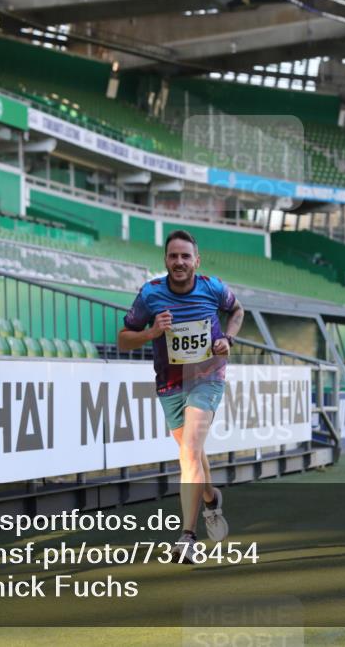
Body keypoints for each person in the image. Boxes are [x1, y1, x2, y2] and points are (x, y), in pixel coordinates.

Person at [117, 230, 244, 564]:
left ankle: (187, 537)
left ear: (196, 261)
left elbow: (238, 310)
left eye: (185, 256)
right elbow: (123, 339)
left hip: (207, 377)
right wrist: (151, 332)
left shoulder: (212, 287)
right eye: (173, 256)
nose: (179, 262)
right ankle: (210, 499)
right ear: (165, 261)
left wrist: (228, 339)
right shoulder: (150, 294)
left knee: (188, 451)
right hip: (170, 384)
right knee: (193, 452)